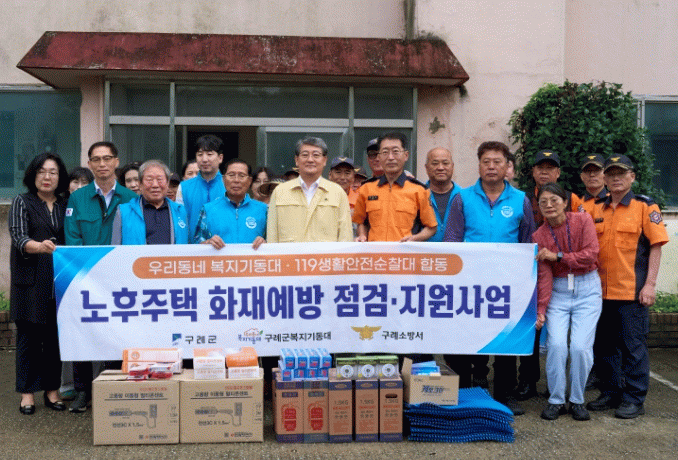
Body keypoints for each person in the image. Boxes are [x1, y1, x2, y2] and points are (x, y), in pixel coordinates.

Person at [444, 141, 536, 416]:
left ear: (508, 167)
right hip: (470, 284)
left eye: (498, 162)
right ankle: (467, 390)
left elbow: (527, 242)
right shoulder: (462, 198)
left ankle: (505, 394)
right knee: (468, 338)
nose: (492, 167)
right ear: (479, 166)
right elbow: (452, 239)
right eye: (486, 162)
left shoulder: (521, 200)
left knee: (505, 339)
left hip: (507, 285)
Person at [587, 154, 669, 419]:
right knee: (604, 347)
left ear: (632, 177)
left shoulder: (645, 207)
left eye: (621, 173)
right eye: (611, 174)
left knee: (633, 349)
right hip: (599, 293)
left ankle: (634, 398)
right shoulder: (595, 208)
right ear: (605, 179)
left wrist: (650, 285)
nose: (616, 178)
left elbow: (656, 247)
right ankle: (611, 392)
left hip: (631, 292)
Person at [64, 141, 138, 413]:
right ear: (90, 164)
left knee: (116, 333)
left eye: (107, 158)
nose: (102, 164)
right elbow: (72, 238)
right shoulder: (78, 198)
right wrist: (88, 272)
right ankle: (82, 390)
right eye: (96, 159)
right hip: (86, 278)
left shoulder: (130, 198)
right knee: (83, 332)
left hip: (120, 280)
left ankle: (111, 386)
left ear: (116, 161)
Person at [517, 149, 584, 401]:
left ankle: (558, 382)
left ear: (558, 173)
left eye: (550, 168)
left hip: (564, 271)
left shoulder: (571, 199)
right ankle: (528, 379)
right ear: (533, 172)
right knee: (532, 325)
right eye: (540, 168)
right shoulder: (523, 199)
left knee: (562, 333)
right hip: (530, 270)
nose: (544, 172)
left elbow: (580, 233)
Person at [533, 183, 601, 421]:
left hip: (587, 289)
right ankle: (556, 400)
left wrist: (559, 256)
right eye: (543, 202)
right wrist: (541, 309)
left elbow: (591, 254)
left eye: (554, 200)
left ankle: (577, 399)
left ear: (565, 202)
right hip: (559, 291)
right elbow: (544, 276)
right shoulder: (539, 235)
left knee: (580, 347)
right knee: (556, 346)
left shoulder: (583, 220)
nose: (549, 205)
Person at [9, 153, 69, 415]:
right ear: (32, 175)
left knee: (54, 338)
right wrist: (39, 246)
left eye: (53, 172)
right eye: (41, 171)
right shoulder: (22, 201)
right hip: (30, 281)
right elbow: (19, 237)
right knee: (29, 339)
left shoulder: (66, 203)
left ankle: (52, 390)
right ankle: (27, 393)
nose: (47, 177)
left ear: (60, 176)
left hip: (59, 280)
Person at [353, 132, 437, 242]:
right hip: (375, 251)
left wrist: (415, 238)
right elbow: (360, 222)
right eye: (385, 152)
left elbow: (431, 227)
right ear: (379, 157)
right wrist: (362, 235)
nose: (390, 157)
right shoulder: (366, 188)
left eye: (395, 151)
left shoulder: (419, 190)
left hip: (404, 251)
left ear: (406, 155)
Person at [267, 137, 352, 243]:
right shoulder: (280, 192)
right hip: (290, 254)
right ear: (296, 160)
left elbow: (345, 236)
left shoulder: (338, 193)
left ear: (324, 160)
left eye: (316, 155)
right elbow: (272, 236)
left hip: (324, 254)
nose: (310, 160)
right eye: (305, 155)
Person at [111, 160, 189, 245]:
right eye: (149, 180)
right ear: (140, 184)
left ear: (167, 184)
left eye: (159, 179)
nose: (155, 185)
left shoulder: (180, 211)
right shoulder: (123, 212)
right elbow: (115, 247)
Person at [196, 159, 267, 249]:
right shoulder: (208, 209)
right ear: (223, 179)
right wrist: (208, 243)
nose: (236, 180)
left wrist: (266, 243)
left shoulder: (263, 209)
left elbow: (275, 242)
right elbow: (197, 242)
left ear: (249, 181)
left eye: (241, 176)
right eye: (231, 175)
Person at [176, 135, 226, 237]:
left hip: (224, 245)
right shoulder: (184, 187)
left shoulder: (229, 185)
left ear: (220, 158)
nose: (204, 159)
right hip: (193, 246)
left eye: (209, 154)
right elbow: (180, 222)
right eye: (200, 154)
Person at [424, 147, 460, 242]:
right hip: (424, 251)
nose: (440, 168)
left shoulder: (464, 197)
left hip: (456, 251)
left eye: (445, 163)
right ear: (426, 168)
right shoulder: (418, 195)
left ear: (452, 166)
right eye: (435, 163)